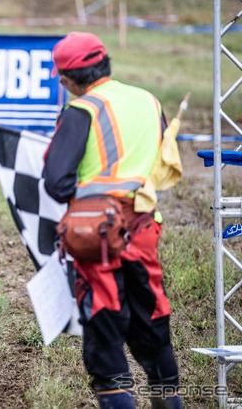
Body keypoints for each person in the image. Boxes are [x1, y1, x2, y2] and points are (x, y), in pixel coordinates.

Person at [43, 32, 182, 409]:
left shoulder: (81, 110)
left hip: (97, 236)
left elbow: (56, 183)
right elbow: (165, 161)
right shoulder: (149, 102)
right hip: (144, 226)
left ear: (69, 78)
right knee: (152, 319)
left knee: (105, 330)